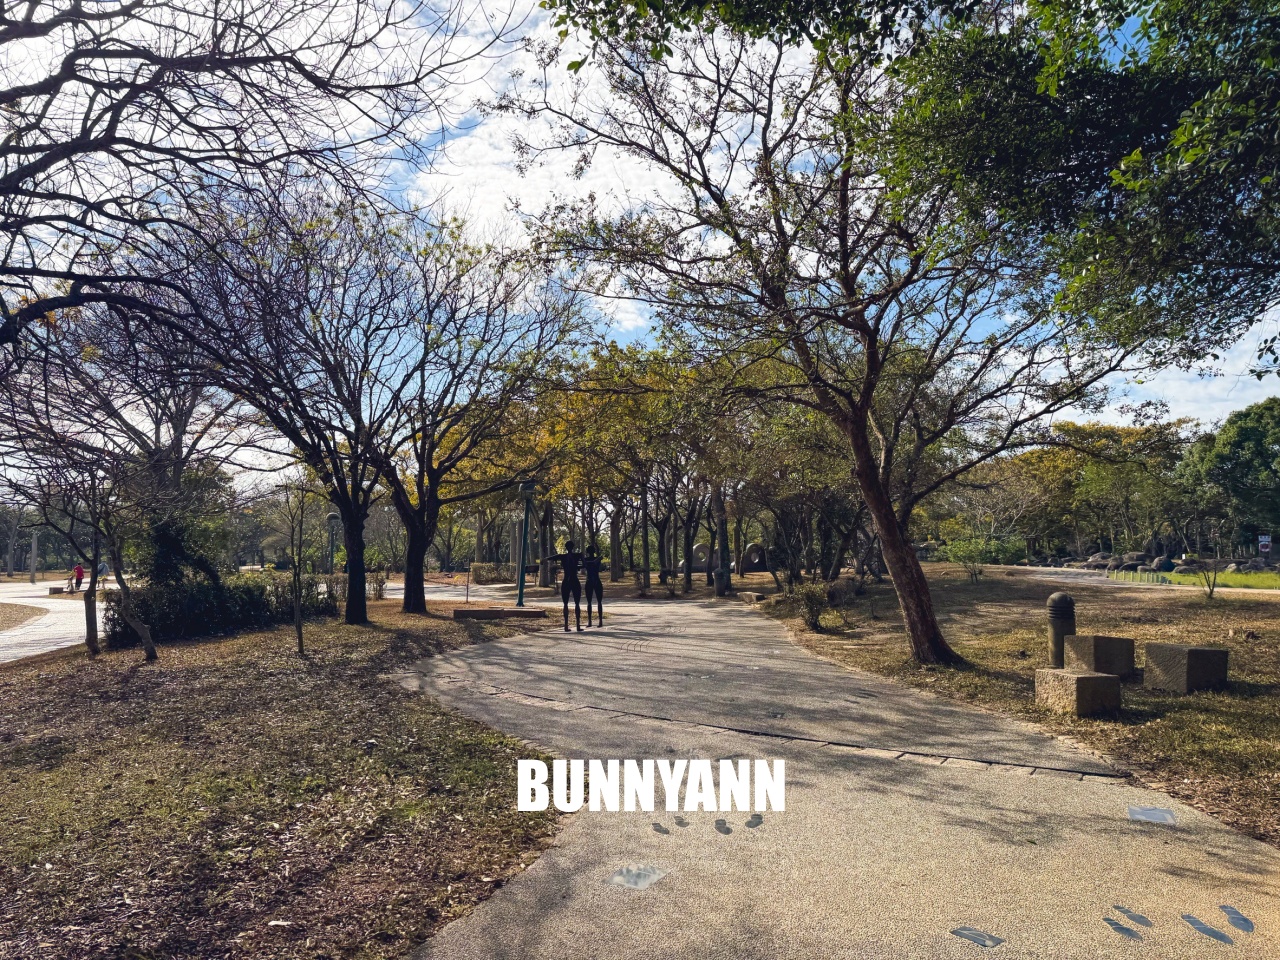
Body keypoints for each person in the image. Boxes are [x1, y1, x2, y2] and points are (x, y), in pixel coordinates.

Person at [548, 540, 585, 632]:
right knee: (577, 603)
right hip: (574, 579)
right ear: (573, 547)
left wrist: (543, 559)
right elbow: (585, 564)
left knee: (565, 604)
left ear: (566, 547)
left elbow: (551, 558)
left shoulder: (562, 556)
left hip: (566, 580)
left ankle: (566, 625)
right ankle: (578, 625)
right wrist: (578, 565)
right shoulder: (577, 555)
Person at [583, 545, 604, 627]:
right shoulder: (596, 559)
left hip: (591, 580)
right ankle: (597, 621)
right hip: (595, 580)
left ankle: (593, 621)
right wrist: (598, 559)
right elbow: (593, 564)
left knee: (592, 602)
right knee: (594, 602)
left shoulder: (586, 559)